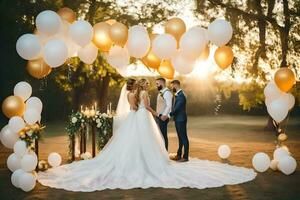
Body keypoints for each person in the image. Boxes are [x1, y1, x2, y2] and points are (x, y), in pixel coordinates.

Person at [37, 78, 256, 192]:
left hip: (134, 119)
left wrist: (143, 111)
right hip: (143, 118)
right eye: (146, 85)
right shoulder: (144, 94)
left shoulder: (132, 93)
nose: (147, 87)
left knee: (130, 144)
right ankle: (147, 164)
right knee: (149, 142)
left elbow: (132, 109)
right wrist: (156, 114)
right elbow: (146, 108)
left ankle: (133, 164)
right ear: (144, 86)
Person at [169, 80, 189, 162]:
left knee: (184, 137)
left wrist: (168, 115)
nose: (171, 87)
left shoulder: (181, 95)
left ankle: (185, 157)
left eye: (172, 85)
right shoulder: (178, 94)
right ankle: (179, 154)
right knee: (180, 138)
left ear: (176, 85)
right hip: (178, 119)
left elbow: (177, 108)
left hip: (181, 119)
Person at [155, 77, 173, 150]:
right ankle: (161, 151)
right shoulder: (161, 92)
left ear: (162, 83)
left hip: (163, 117)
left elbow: (169, 105)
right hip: (159, 116)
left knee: (163, 135)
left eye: (157, 83)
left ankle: (165, 152)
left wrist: (164, 115)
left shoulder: (167, 93)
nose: (156, 85)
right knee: (159, 135)